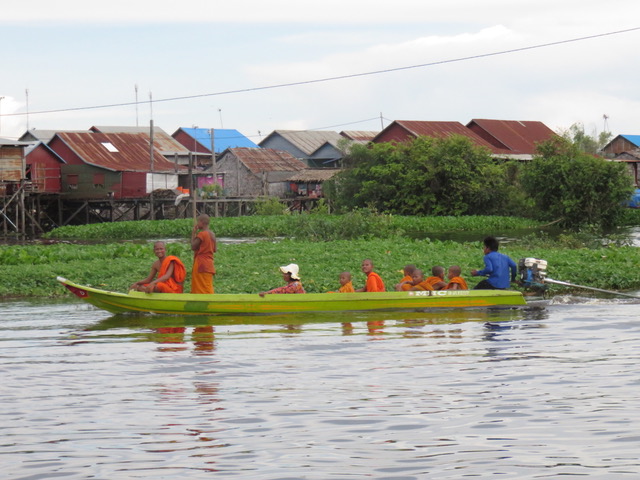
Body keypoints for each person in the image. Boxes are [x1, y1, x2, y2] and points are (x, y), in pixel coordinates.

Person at [191, 214, 217, 294]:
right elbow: (215, 249)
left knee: (201, 287)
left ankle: (206, 301)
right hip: (209, 263)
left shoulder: (202, 234)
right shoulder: (212, 234)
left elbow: (193, 246)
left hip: (201, 263)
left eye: (197, 222)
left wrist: (193, 233)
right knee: (207, 285)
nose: (197, 224)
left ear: (201, 222)